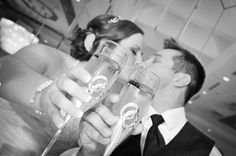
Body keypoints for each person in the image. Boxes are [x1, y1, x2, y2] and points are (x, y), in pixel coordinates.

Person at [0, 14, 144, 155]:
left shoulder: (108, 99)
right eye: (134, 51)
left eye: (142, 55)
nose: (140, 62)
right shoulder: (52, 58)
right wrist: (43, 94)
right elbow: (7, 67)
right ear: (102, 44)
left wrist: (91, 150)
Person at [76, 38, 222, 156]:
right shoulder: (110, 118)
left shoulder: (208, 153)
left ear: (180, 79)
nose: (141, 63)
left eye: (155, 60)